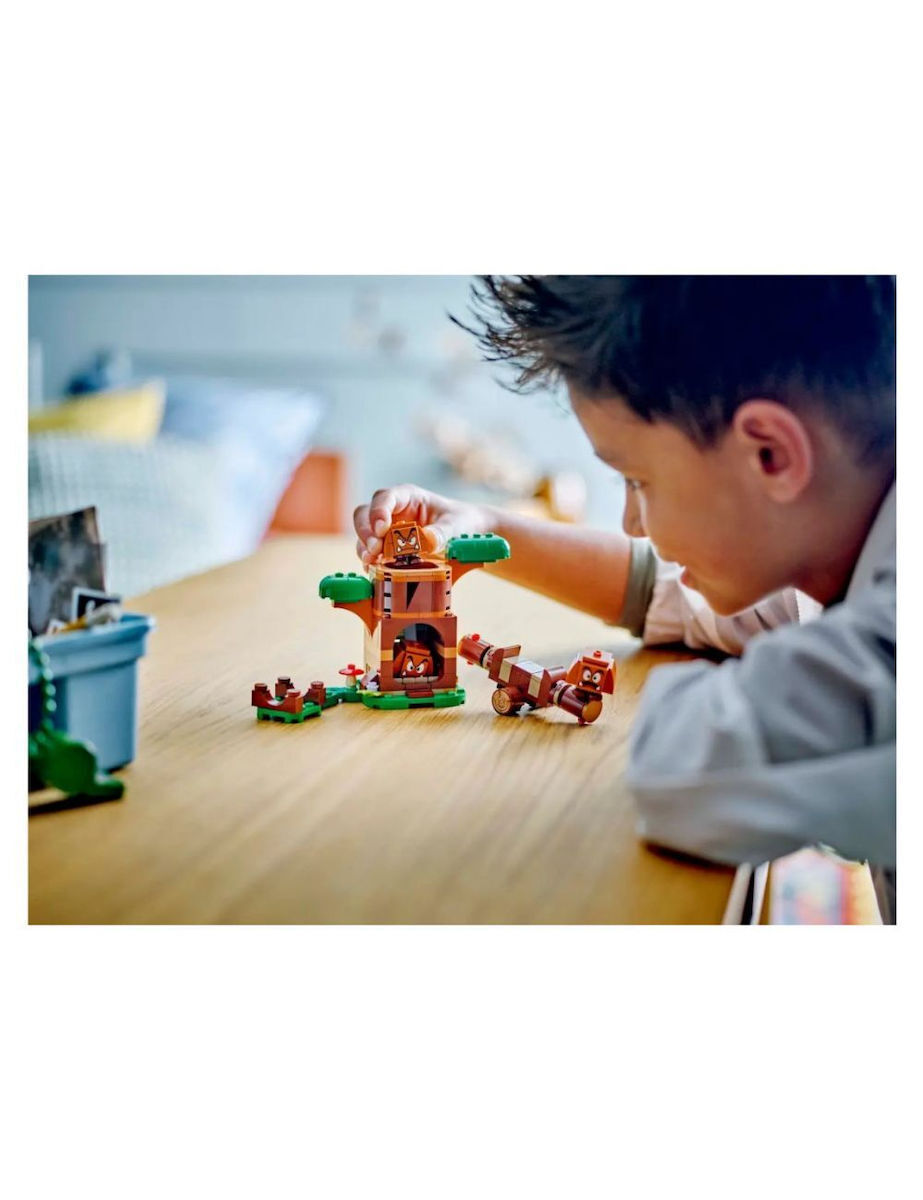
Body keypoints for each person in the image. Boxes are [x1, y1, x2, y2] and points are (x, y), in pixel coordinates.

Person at [353, 276, 896, 888]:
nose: (631, 522)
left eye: (638, 481)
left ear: (770, 454)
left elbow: (687, 774)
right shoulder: (844, 548)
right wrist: (483, 526)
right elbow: (669, 594)